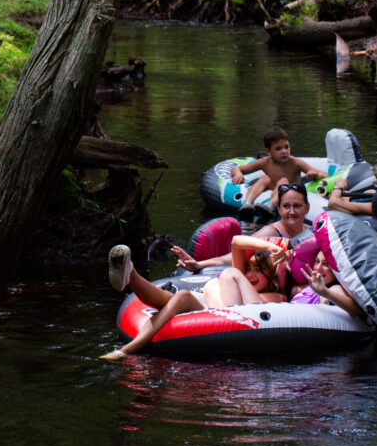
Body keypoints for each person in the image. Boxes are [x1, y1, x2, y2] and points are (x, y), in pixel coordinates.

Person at [101, 235, 288, 359]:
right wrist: (270, 246)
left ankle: (129, 348)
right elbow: (236, 241)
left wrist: (282, 255)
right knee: (181, 296)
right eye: (249, 269)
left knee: (228, 275)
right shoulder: (241, 284)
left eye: (260, 270)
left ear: (272, 276)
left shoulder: (277, 297)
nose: (251, 275)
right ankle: (131, 273)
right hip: (213, 314)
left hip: (235, 323)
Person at [171, 181, 310, 273]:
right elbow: (235, 254)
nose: (291, 212)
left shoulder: (310, 231)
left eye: (297, 206)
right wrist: (199, 265)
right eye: (286, 206)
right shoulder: (270, 233)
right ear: (279, 210)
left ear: (307, 208)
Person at [231, 127, 325, 218]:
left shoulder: (295, 163)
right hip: (273, 189)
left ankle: (270, 205)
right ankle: (247, 203)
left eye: (286, 147)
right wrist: (238, 173)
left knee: (283, 181)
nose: (284, 151)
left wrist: (315, 174)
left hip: (290, 191)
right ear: (268, 151)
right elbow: (237, 169)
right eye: (278, 149)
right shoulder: (264, 162)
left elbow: (325, 175)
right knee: (265, 178)